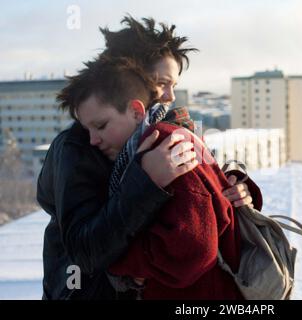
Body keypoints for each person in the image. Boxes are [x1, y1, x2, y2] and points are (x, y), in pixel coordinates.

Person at [37, 16, 260, 300]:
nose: (170, 96)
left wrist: (235, 184)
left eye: (174, 85)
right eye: (161, 83)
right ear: (128, 77)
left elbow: (205, 171)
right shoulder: (80, 146)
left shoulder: (165, 127)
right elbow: (85, 250)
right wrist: (145, 182)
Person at [70, 56, 244, 299]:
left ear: (135, 111)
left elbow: (193, 250)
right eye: (87, 129)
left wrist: (123, 264)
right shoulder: (143, 148)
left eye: (100, 126)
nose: (92, 140)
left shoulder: (165, 145)